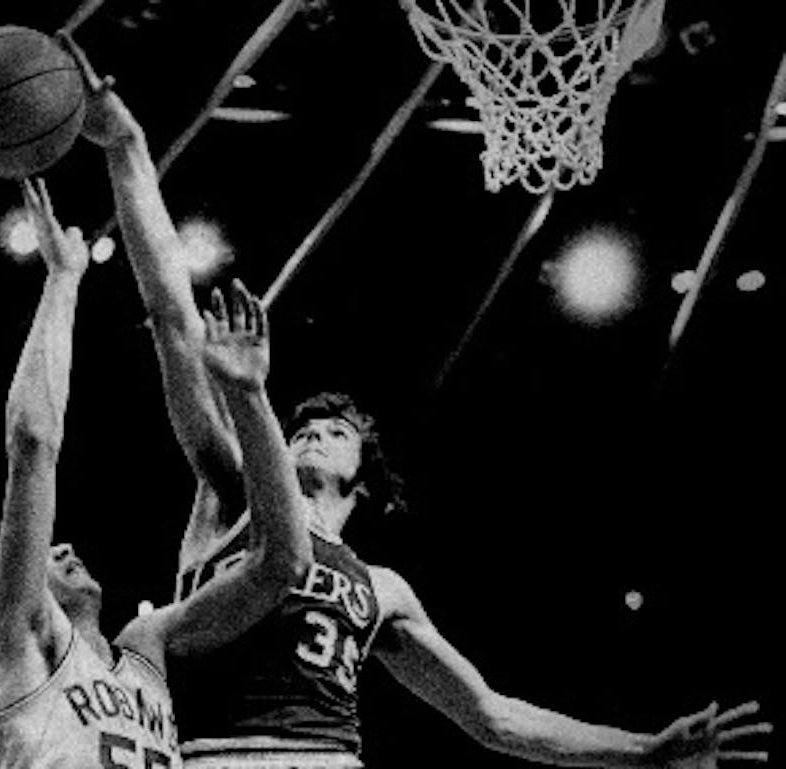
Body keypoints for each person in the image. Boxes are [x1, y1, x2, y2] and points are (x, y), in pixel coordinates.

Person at [68, 42, 774, 769]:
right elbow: (174, 321)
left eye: (333, 430)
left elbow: (494, 716)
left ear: (363, 479)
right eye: (303, 425)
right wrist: (127, 147)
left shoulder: (383, 590)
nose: (311, 433)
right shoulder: (229, 490)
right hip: (223, 753)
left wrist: (643, 750)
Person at [0, 177, 315, 769]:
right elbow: (33, 442)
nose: (66, 546)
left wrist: (248, 394)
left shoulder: (147, 646)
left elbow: (284, 562)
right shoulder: (22, 640)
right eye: (44, 555)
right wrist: (62, 278)